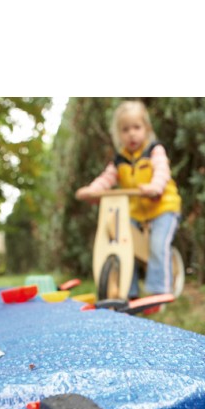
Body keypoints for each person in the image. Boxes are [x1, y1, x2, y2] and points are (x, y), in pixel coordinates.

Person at [76, 100, 181, 300]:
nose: (131, 134)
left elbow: (162, 171)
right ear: (118, 134)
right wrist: (92, 190)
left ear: (147, 129)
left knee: (157, 245)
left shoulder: (154, 150)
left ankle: (159, 293)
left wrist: (154, 187)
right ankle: (128, 292)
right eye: (125, 130)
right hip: (136, 211)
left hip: (163, 207)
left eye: (136, 127)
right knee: (124, 244)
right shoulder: (120, 159)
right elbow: (107, 178)